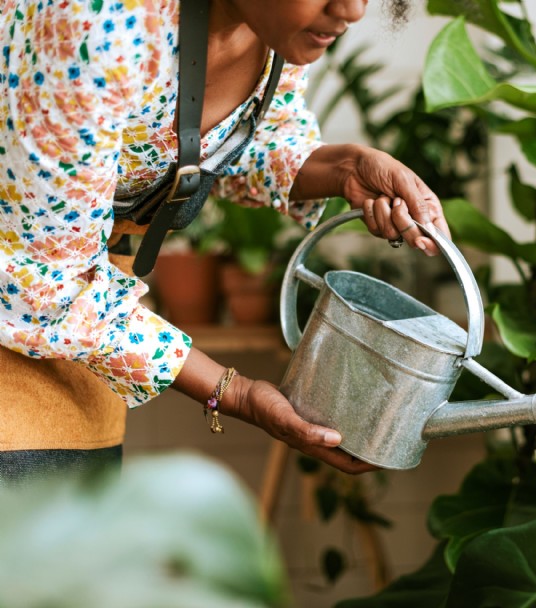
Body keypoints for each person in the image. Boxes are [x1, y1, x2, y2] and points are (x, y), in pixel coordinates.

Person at [0, 0, 451, 480]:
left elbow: (236, 144)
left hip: (77, 328)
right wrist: (234, 393)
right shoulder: (98, 21)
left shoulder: (268, 30)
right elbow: (48, 282)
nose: (353, 10)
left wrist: (346, 169)